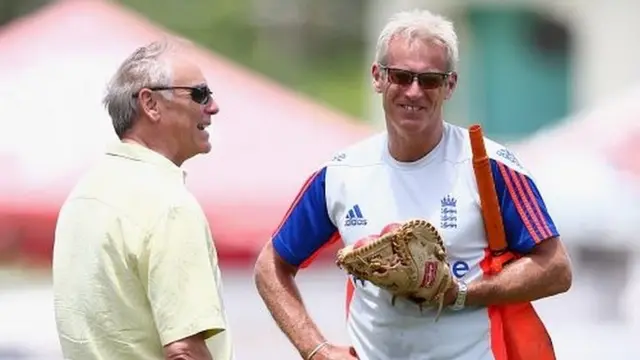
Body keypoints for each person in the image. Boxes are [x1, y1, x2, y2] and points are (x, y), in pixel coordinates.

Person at [253, 9, 573, 360]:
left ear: (450, 85)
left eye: (430, 80)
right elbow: (271, 265)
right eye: (401, 76)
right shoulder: (341, 173)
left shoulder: (489, 166)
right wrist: (316, 349)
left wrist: (461, 292)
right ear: (378, 77)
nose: (414, 91)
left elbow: (556, 269)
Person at [52, 40, 233, 360]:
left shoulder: (82, 196)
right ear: (150, 103)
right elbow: (184, 351)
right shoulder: (169, 206)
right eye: (200, 94)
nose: (213, 106)